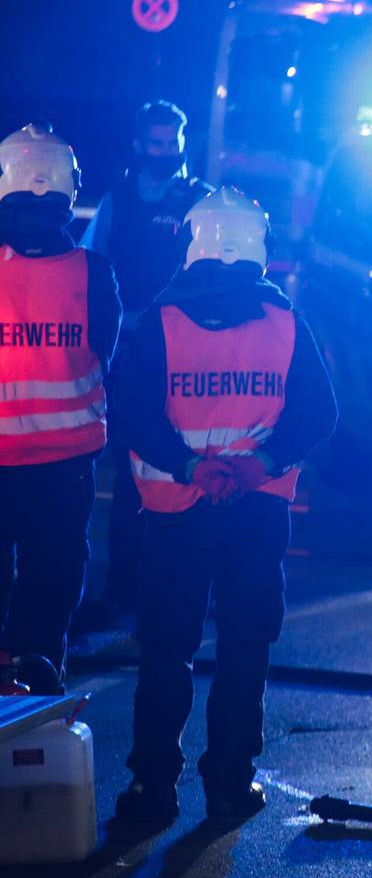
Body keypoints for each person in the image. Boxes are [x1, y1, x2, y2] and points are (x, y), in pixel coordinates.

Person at [110, 188, 336, 829]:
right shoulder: (286, 321)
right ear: (258, 244)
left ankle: (153, 791)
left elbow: (134, 415)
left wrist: (191, 468)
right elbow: (319, 413)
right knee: (244, 647)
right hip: (257, 511)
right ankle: (231, 788)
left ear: (192, 243)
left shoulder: (160, 320)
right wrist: (258, 465)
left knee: (166, 650)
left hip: (177, 509)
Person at [0, 126, 121, 690]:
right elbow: (107, 351)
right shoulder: (94, 274)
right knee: (55, 575)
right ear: (70, 193)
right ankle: (41, 672)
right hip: (65, 460)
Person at [82, 101, 211, 616]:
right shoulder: (117, 202)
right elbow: (90, 268)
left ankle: (181, 589)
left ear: (183, 143)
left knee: (181, 471)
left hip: (186, 358)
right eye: (155, 143)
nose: (164, 152)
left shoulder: (202, 202)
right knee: (131, 472)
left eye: (171, 143)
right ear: (139, 145)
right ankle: (121, 591)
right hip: (129, 356)